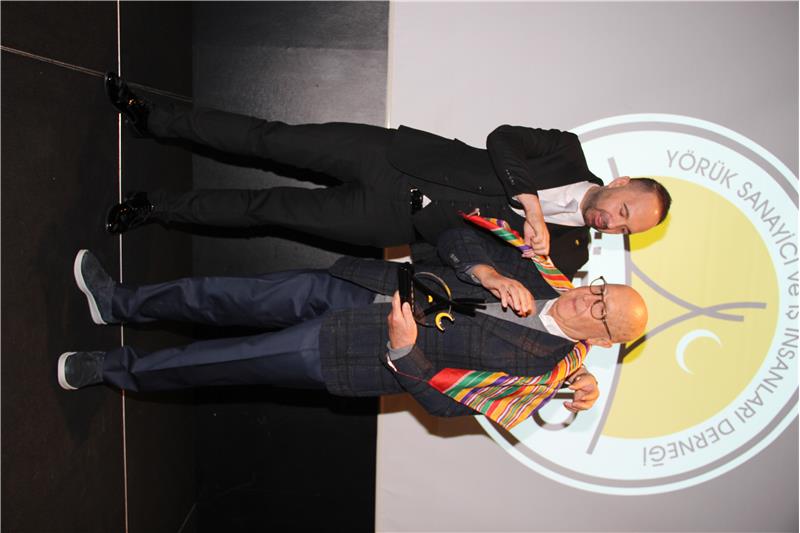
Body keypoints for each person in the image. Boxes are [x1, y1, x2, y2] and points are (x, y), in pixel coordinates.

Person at [103, 73, 671, 280]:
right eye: (623, 211)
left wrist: (516, 259)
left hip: (391, 220)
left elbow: (486, 268)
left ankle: (155, 208)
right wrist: (531, 202)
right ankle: (154, 118)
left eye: (626, 230)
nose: (613, 223)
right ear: (622, 183)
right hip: (392, 156)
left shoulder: (565, 256)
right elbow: (503, 138)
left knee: (265, 210)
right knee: (268, 138)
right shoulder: (567, 153)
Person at [59, 227, 648, 419]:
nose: (587, 300)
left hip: (355, 352)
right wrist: (489, 273)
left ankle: (109, 369)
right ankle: (118, 303)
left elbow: (447, 404)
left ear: (604, 340)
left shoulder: (545, 374)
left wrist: (407, 350)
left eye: (601, 311)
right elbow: (453, 237)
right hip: (358, 285)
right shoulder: (543, 270)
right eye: (599, 289)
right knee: (220, 295)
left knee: (219, 362)